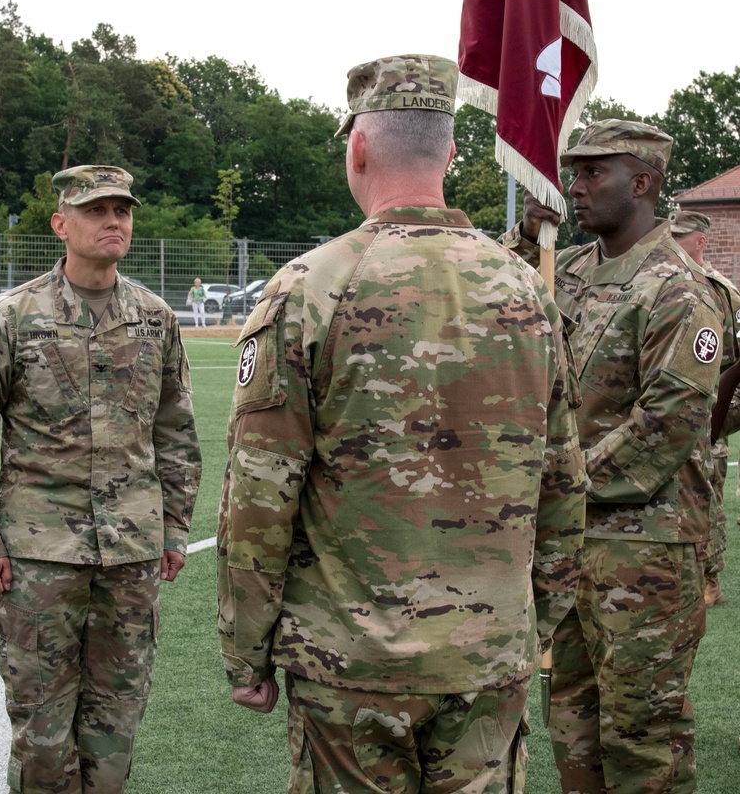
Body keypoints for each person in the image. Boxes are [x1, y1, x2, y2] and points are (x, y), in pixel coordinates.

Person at [217, 54, 586, 794]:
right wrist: (533, 627)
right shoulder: (524, 288)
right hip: (488, 657)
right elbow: (563, 480)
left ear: (357, 146)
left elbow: (260, 497)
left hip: (355, 664)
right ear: (451, 153)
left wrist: (245, 651)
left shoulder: (310, 287)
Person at [0, 164, 201, 793]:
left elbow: (174, 431)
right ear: (61, 224)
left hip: (130, 555)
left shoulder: (154, 317)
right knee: (40, 724)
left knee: (118, 717)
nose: (114, 221)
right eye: (96, 210)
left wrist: (174, 527)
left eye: (122, 209)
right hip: (38, 557)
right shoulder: (11, 317)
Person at [505, 120, 728, 792]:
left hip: (647, 554)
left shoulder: (678, 291)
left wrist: (556, 483)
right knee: (572, 730)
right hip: (572, 548)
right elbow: (488, 306)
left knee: (640, 743)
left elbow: (667, 428)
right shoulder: (564, 270)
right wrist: (523, 239)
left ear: (644, 183)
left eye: (593, 173)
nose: (574, 187)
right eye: (572, 173)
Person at [670, 210, 740, 607]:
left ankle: (710, 579)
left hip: (709, 413)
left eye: (680, 237)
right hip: (671, 413)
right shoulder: (663, 283)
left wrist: (720, 422)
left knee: (707, 496)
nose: (671, 242)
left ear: (700, 241)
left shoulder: (723, 292)